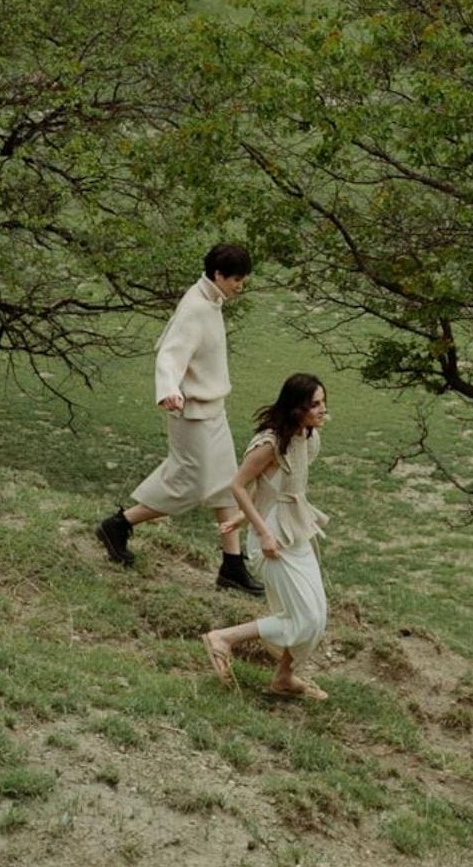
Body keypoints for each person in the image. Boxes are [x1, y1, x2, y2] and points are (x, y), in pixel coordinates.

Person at [96, 243, 262, 593]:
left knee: (226, 485)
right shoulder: (195, 308)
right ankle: (118, 525)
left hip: (214, 410)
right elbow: (169, 356)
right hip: (192, 413)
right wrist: (168, 389)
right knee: (186, 483)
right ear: (218, 275)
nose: (239, 287)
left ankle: (231, 567)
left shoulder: (212, 301)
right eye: (236, 280)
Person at [203, 373, 331, 700]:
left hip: (296, 529)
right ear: (295, 407)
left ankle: (284, 678)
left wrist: (242, 518)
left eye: (323, 402)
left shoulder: (307, 437)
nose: (322, 410)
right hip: (272, 538)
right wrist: (259, 530)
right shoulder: (269, 443)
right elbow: (238, 485)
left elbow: (277, 489)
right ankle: (223, 638)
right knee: (302, 619)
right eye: (314, 404)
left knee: (316, 617)